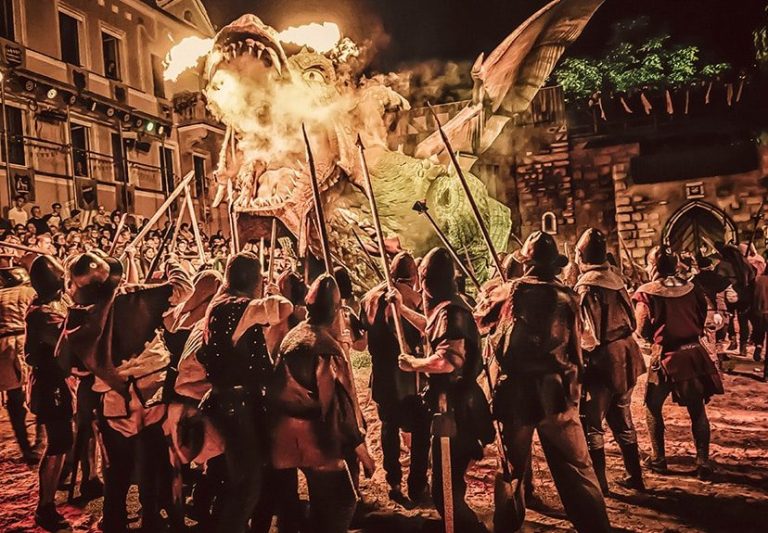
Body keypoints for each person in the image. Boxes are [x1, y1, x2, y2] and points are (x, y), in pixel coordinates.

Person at [57, 251, 192, 532]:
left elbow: (69, 362)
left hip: (113, 400)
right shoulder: (134, 296)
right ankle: (150, 518)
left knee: (116, 466)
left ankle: (116, 519)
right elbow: (183, 287)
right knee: (151, 462)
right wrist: (172, 261)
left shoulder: (80, 316)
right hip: (151, 396)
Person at [492, 232, 611, 533]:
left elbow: (481, 320)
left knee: (512, 468)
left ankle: (507, 526)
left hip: (519, 392)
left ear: (527, 262)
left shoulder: (511, 290)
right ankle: (596, 527)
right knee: (577, 467)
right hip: (557, 390)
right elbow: (578, 349)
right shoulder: (569, 296)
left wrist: (496, 293)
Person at [398, 247, 494, 533]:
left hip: (455, 410)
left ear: (428, 280)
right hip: (451, 405)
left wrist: (414, 364)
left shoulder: (452, 312)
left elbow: (448, 360)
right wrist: (401, 309)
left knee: (444, 492)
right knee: (447, 488)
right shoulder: (450, 308)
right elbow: (432, 328)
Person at [270, 274, 375, 533]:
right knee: (342, 501)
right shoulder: (325, 349)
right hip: (315, 441)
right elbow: (337, 408)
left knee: (313, 504)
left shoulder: (292, 336)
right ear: (336, 310)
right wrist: (361, 449)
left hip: (282, 436)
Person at [198, 251, 293, 533]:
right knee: (247, 484)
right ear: (253, 279)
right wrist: (273, 294)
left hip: (232, 400)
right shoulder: (237, 307)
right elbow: (283, 308)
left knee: (241, 479)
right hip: (236, 404)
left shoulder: (220, 303)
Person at [634, 246, 724, 479]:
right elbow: (701, 317)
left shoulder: (648, 293)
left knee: (652, 406)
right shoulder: (692, 288)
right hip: (693, 353)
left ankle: (658, 459)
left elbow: (642, 328)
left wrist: (653, 338)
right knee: (697, 409)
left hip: (665, 355)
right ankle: (702, 461)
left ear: (653, 266)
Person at [574, 228, 646, 494]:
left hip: (604, 359)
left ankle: (600, 484)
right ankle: (634, 476)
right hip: (626, 353)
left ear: (582, 255)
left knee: (592, 423)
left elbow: (588, 335)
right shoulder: (617, 279)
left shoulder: (588, 286)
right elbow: (633, 321)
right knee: (622, 416)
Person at [359, 252, 430, 505]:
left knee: (389, 426)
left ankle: (394, 482)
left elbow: (362, 333)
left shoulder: (368, 298)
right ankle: (417, 485)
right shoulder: (415, 299)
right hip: (408, 378)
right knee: (421, 430)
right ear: (414, 276)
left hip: (382, 375)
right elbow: (427, 330)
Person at [25, 256, 72, 531]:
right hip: (49, 385)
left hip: (54, 382)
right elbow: (67, 336)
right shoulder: (43, 313)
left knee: (63, 442)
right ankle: (45, 507)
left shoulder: (50, 304)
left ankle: (62, 484)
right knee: (57, 444)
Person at [0, 265, 38, 464]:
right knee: (40, 387)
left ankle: (26, 447)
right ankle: (41, 442)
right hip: (26, 341)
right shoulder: (30, 292)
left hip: (3, 347)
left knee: (14, 398)